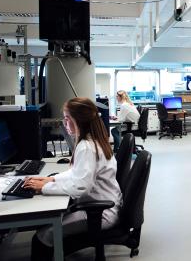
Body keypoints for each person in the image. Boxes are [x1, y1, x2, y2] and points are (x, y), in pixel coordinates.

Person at [24, 97, 122, 259]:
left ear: (79, 120)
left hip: (98, 213)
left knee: (43, 237)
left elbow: (80, 187)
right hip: (103, 206)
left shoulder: (86, 147)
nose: (64, 122)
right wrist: (51, 180)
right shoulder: (94, 140)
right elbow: (78, 173)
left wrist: (43, 188)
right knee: (47, 226)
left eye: (67, 118)